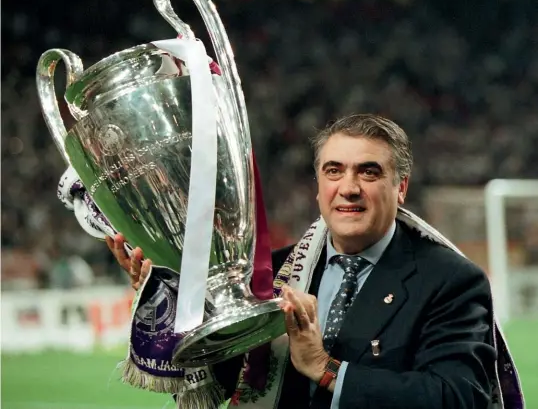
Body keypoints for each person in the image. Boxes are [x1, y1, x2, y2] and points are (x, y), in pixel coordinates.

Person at [108, 113, 501, 409]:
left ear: (400, 188)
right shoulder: (267, 275)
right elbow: (223, 384)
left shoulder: (450, 280)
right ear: (318, 188)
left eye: (368, 172)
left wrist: (327, 369)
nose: (348, 188)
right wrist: (171, 307)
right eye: (334, 171)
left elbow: (459, 397)